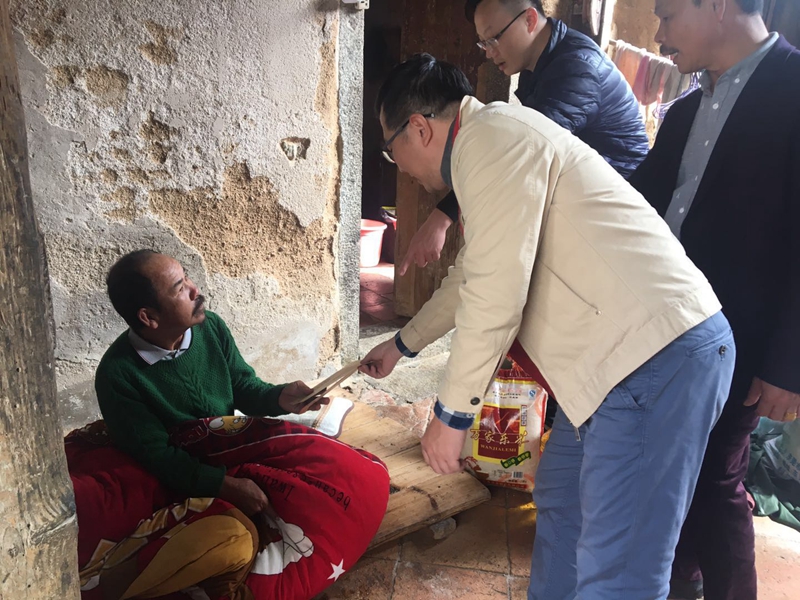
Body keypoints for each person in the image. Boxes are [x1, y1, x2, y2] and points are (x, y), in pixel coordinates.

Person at [361, 53, 735, 599]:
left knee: (620, 571)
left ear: (418, 128)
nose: (397, 165)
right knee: (562, 503)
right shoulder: (487, 148)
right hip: (613, 370)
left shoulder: (491, 139)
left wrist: (452, 414)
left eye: (390, 148)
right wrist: (401, 345)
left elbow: (495, 293)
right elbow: (471, 279)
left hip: (655, 359)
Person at [628, 1, 800, 598]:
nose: (659, 35)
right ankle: (683, 583)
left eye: (668, 16)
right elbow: (639, 207)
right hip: (671, 329)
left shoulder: (793, 91)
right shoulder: (684, 112)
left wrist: (788, 364)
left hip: (744, 339)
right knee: (673, 472)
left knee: (714, 481)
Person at [399, 0, 649, 276]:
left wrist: (442, 216)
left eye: (494, 39)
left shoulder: (576, 68)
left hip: (618, 209)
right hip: (588, 197)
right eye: (484, 43)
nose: (489, 52)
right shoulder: (542, 64)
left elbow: (524, 153)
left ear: (529, 20)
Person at [95, 249, 328, 517]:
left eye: (187, 277)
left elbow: (242, 386)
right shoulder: (118, 375)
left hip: (230, 452)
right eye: (180, 288)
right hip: (184, 481)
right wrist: (226, 487)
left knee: (325, 473)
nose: (195, 290)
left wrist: (279, 397)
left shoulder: (210, 327)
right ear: (149, 317)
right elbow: (159, 458)